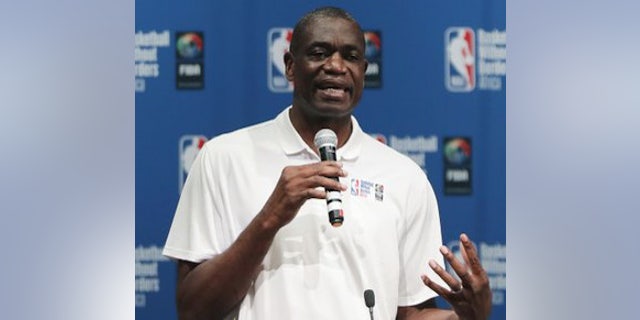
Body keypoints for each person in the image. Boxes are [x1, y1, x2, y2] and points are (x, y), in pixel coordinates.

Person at [162, 6, 492, 320]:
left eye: (350, 56)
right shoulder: (223, 158)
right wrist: (270, 218)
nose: (335, 66)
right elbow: (193, 309)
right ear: (290, 65)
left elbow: (410, 312)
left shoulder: (404, 176)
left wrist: (464, 317)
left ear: (364, 72)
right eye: (319, 53)